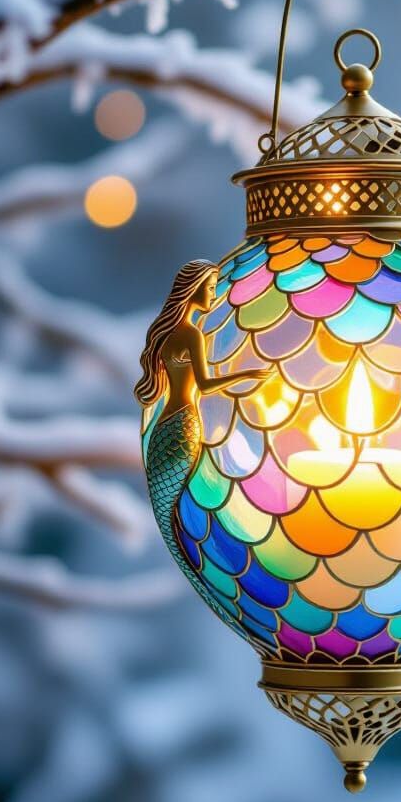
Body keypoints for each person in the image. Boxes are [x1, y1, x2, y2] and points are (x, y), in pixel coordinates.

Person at [135, 260, 273, 622]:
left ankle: (214, 585)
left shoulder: (171, 333)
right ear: (193, 288)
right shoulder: (189, 334)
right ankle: (218, 591)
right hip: (183, 425)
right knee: (174, 516)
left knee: (173, 515)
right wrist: (248, 376)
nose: (213, 292)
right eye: (210, 286)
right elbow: (206, 386)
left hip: (167, 424)